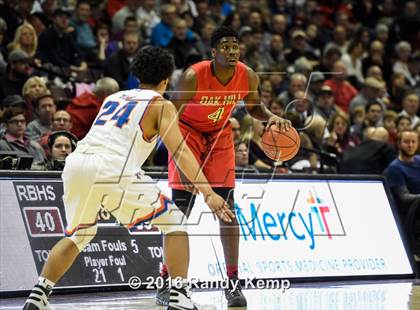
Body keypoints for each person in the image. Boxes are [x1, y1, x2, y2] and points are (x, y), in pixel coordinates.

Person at [23, 46, 234, 310]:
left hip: (78, 162)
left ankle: (38, 297)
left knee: (79, 235)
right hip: (113, 166)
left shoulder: (114, 97)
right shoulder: (162, 105)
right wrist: (208, 192)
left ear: (136, 76)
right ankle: (179, 296)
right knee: (176, 222)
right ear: (166, 79)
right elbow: (180, 151)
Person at [160, 26, 291, 308]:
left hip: (219, 136)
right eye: (226, 46)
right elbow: (170, 114)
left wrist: (271, 117)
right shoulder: (193, 75)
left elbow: (254, 107)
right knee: (180, 212)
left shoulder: (247, 74)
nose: (232, 51)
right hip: (187, 134)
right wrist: (173, 147)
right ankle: (167, 280)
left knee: (228, 211)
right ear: (214, 52)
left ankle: (233, 282)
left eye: (236, 46)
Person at [385, 130, 420, 212]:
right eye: (406, 142)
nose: (410, 145)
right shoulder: (395, 167)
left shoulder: (419, 159)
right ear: (399, 144)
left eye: (413, 142)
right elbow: (404, 197)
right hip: (414, 213)